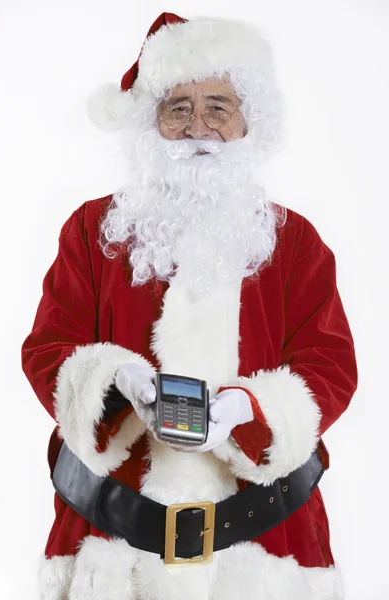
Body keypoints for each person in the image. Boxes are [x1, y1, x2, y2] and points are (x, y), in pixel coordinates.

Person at [21, 12, 358, 600]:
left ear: (249, 122)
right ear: (149, 124)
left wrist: (245, 412)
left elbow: (329, 366)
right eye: (178, 107)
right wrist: (112, 381)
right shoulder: (92, 230)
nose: (198, 127)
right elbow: (49, 347)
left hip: (265, 547)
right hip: (113, 540)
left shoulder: (295, 241)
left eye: (219, 107)